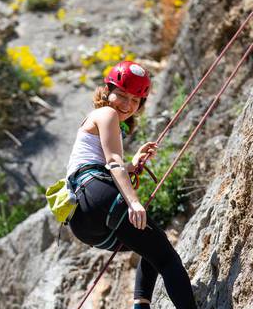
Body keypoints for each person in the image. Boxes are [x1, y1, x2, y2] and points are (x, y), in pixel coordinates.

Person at [66, 61, 197, 309]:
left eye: (136, 100)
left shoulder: (99, 119)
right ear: (107, 90)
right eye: (122, 95)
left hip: (82, 219)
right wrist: (134, 202)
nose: (127, 105)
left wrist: (133, 164)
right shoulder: (107, 113)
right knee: (168, 259)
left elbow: (105, 163)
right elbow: (113, 162)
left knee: (153, 249)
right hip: (95, 192)